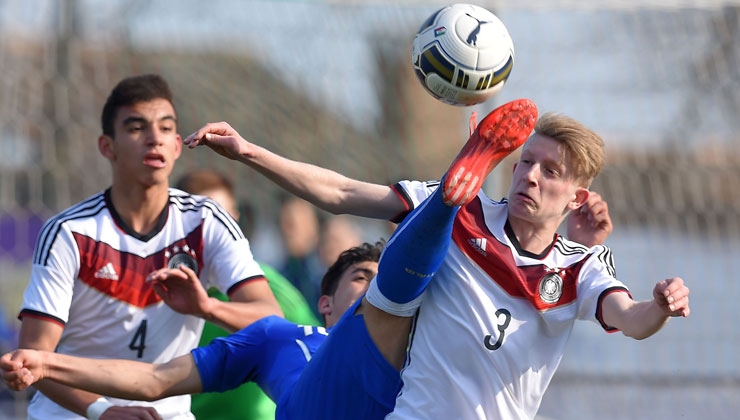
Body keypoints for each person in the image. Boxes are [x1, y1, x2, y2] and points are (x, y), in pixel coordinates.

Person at [2, 99, 546, 420]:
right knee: (390, 303)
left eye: (376, 273)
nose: (369, 280)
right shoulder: (280, 335)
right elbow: (153, 381)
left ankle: (451, 200)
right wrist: (47, 362)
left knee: (407, 308)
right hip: (318, 406)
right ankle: (449, 200)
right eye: (360, 274)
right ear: (324, 302)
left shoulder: (425, 358)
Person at [177, 98, 690, 419]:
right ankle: (447, 190)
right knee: (443, 210)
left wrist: (660, 306)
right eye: (524, 161)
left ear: (576, 198)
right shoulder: (475, 211)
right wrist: (249, 151)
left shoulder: (582, 265)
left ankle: (450, 185)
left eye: (550, 171)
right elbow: (340, 191)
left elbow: (631, 319)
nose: (530, 175)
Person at [16, 74, 282, 420]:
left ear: (176, 145)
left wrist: (207, 308)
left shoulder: (207, 222)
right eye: (137, 127)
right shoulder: (69, 232)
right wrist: (103, 410)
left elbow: (271, 319)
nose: (154, 138)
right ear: (107, 147)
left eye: (166, 127)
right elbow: (34, 355)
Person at [175, 169, 320, 420]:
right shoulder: (156, 284)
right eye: (203, 217)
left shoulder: (270, 287)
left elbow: (319, 355)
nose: (216, 228)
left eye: (225, 216)